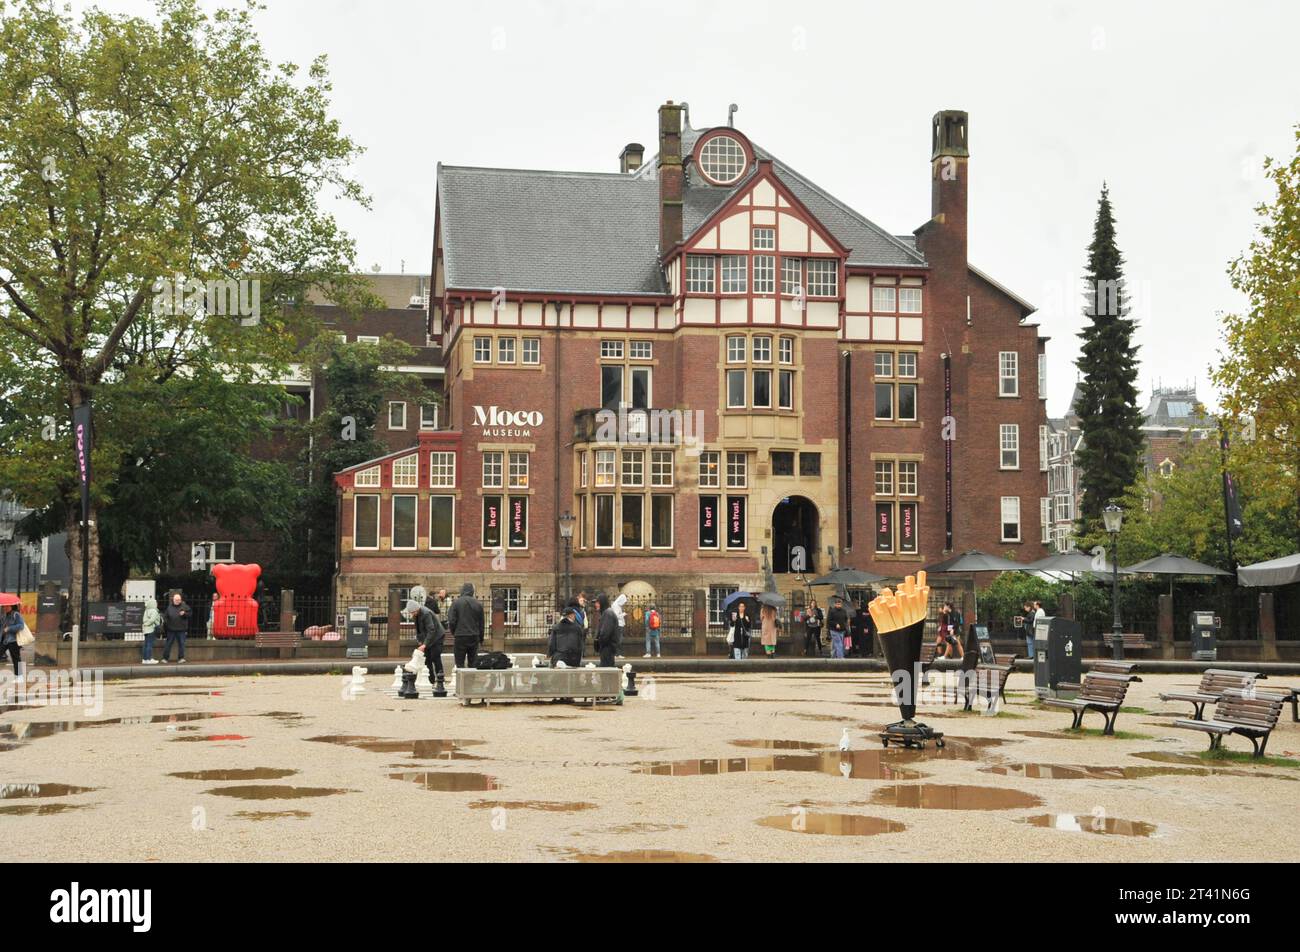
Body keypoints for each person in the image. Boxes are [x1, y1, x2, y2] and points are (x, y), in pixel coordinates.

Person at [447, 582, 484, 670]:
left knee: (459, 663)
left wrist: (454, 631)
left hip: (460, 636)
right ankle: (471, 682)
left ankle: (461, 682)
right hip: (474, 636)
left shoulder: (456, 603)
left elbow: (451, 621)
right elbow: (481, 623)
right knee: (473, 662)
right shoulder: (478, 604)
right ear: (472, 591)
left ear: (462, 591)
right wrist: (481, 638)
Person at [408, 598, 445, 684]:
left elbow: (431, 630)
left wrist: (424, 645)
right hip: (427, 638)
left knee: (435, 657)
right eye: (411, 613)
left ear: (417, 609)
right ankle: (430, 680)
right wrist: (420, 641)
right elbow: (418, 629)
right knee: (427, 659)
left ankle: (440, 679)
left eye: (413, 612)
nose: (412, 614)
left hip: (437, 637)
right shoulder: (416, 615)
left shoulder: (426, 613)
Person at [547, 601, 585, 668]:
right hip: (573, 660)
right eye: (574, 615)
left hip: (559, 658)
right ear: (571, 615)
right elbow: (580, 646)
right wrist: (578, 661)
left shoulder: (556, 627)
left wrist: (550, 656)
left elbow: (551, 644)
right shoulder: (577, 628)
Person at [159, 592, 190, 664]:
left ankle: (181, 658)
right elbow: (165, 616)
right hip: (171, 629)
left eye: (179, 600)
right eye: (176, 600)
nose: (178, 601)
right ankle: (165, 658)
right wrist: (167, 623)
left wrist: (184, 614)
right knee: (168, 644)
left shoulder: (185, 606)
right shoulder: (169, 607)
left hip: (181, 629)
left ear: (181, 600)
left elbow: (190, 614)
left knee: (181, 644)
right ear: (173, 600)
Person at [594, 593, 620, 667]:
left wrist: (598, 642)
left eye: (598, 602)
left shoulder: (608, 614)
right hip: (607, 648)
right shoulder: (606, 613)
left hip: (607, 648)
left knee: (606, 671)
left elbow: (605, 633)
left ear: (602, 603)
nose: (596, 605)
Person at [1, 604, 24, 676]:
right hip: (4, 640)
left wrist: (9, 628)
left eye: (7, 606)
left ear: (12, 607)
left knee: (16, 659)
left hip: (13, 640)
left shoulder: (16, 614)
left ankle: (19, 676)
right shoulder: (4, 615)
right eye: (4, 606)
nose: (5, 608)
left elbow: (21, 625)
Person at [140, 596, 161, 665]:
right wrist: (148, 623)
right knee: (150, 645)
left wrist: (145, 624)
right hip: (151, 629)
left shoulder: (146, 610)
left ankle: (144, 659)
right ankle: (149, 659)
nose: (156, 604)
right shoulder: (154, 611)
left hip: (146, 630)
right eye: (155, 603)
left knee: (146, 645)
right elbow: (152, 620)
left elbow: (144, 620)